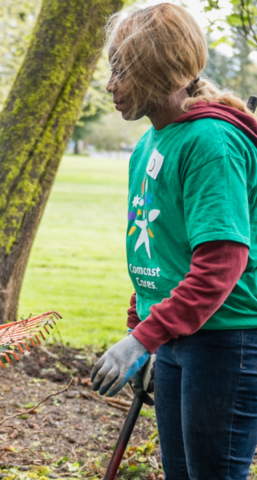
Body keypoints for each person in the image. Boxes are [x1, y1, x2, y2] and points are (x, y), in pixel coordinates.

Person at [90, 4, 257, 479]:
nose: (110, 85)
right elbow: (160, 250)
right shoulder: (149, 143)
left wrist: (145, 336)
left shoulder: (211, 142)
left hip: (227, 340)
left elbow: (222, 262)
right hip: (178, 336)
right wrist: (140, 331)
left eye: (121, 70)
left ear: (155, 70)